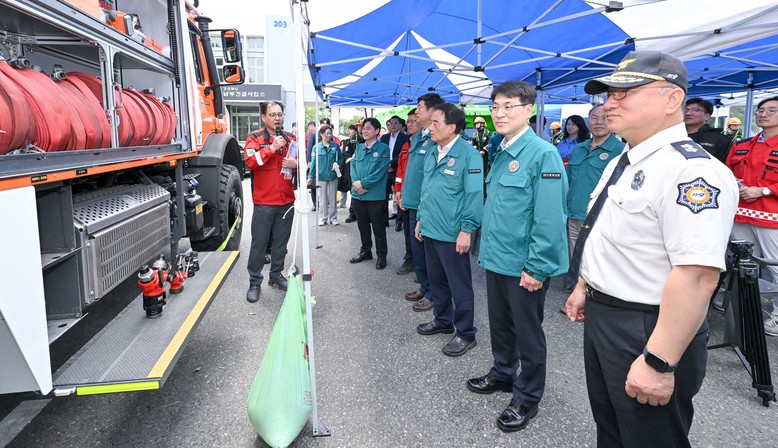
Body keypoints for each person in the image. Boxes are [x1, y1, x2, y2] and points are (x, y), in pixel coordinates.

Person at [565, 50, 738, 447]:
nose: (610, 103)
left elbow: (697, 276)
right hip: (607, 315)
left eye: (624, 93)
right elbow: (608, 233)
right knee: (611, 429)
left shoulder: (692, 170)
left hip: (649, 326)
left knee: (649, 437)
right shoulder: (627, 158)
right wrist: (585, 285)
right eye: (609, 94)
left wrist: (659, 361)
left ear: (672, 99)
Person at [466, 81, 569, 433]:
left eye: (508, 106)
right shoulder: (502, 149)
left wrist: (537, 266)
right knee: (500, 324)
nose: (499, 113)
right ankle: (503, 372)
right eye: (495, 107)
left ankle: (527, 396)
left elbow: (550, 217)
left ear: (529, 110)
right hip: (497, 257)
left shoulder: (542, 154)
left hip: (525, 263)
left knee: (528, 333)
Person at [415, 102, 483, 356]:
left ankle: (465, 333)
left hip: (453, 232)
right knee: (437, 281)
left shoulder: (469, 154)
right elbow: (427, 188)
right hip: (431, 227)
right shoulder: (434, 151)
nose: (430, 127)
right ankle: (443, 320)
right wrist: (421, 218)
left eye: (436, 123)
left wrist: (466, 230)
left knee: (459, 285)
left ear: (452, 127)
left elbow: (474, 195)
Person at [726, 95, 778, 336]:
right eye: (761, 110)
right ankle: (747, 310)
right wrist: (737, 185)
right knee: (743, 267)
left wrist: (764, 190)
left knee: (775, 269)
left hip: (772, 218)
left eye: (772, 110)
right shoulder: (743, 144)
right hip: (741, 216)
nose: (763, 114)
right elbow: (727, 172)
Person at [563, 104, 626, 294]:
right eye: (594, 118)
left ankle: (591, 296)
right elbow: (569, 180)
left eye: (605, 118)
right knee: (575, 257)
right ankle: (576, 295)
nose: (599, 122)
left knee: (595, 260)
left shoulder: (620, 150)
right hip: (574, 213)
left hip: (600, 217)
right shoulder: (579, 148)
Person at [244, 101, 299, 303]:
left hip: (286, 201)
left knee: (280, 244)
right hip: (264, 203)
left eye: (280, 114)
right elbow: (250, 163)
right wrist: (271, 148)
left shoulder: (291, 138)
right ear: (264, 117)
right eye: (273, 114)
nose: (277, 118)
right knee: (259, 244)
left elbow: (303, 165)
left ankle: (275, 275)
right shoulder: (254, 138)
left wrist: (296, 164)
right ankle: (254, 282)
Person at [402, 93, 444, 312]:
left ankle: (433, 293)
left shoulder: (437, 139)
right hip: (413, 203)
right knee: (418, 252)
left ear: (432, 111)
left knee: (429, 255)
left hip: (426, 206)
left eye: (419, 107)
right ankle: (425, 286)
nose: (416, 111)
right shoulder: (419, 136)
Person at [349, 118, 391, 270]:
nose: (364, 131)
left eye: (368, 128)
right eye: (363, 128)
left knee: (378, 227)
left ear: (377, 131)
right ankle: (366, 251)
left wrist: (363, 184)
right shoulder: (359, 148)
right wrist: (356, 183)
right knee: (363, 226)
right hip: (358, 194)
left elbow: (380, 171)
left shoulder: (383, 149)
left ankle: (382, 255)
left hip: (374, 195)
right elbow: (353, 166)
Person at [394, 109, 418, 276]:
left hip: (417, 198)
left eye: (412, 121)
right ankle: (410, 259)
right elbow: (400, 171)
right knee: (408, 232)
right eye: (408, 121)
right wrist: (397, 190)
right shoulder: (405, 145)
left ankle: (422, 266)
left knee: (419, 234)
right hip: (404, 196)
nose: (409, 124)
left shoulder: (428, 144)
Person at [308, 125, 344, 226]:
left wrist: (337, 163)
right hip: (321, 176)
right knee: (322, 198)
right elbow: (314, 163)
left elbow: (341, 158)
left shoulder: (335, 146)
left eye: (330, 133)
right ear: (321, 134)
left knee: (333, 198)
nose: (329, 135)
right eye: (327, 133)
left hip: (333, 175)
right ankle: (323, 218)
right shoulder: (316, 147)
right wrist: (310, 176)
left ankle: (333, 218)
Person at [381, 116, 409, 231]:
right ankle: (384, 220)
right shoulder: (384, 137)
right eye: (391, 123)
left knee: (398, 195)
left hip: (398, 170)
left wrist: (391, 164)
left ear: (401, 125)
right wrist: (386, 165)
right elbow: (381, 152)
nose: (393, 125)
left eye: (396, 123)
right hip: (385, 170)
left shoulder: (405, 138)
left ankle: (399, 221)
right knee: (384, 195)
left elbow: (403, 154)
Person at [684, 97, 733, 163]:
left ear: (707, 116)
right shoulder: (675, 135)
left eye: (695, 110)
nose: (688, 113)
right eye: (686, 110)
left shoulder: (720, 140)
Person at [339, 124, 361, 210]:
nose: (350, 131)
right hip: (346, 166)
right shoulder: (346, 141)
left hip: (356, 165)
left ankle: (354, 206)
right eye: (349, 130)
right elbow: (344, 153)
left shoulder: (361, 141)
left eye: (352, 130)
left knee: (354, 184)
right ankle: (343, 202)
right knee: (344, 183)